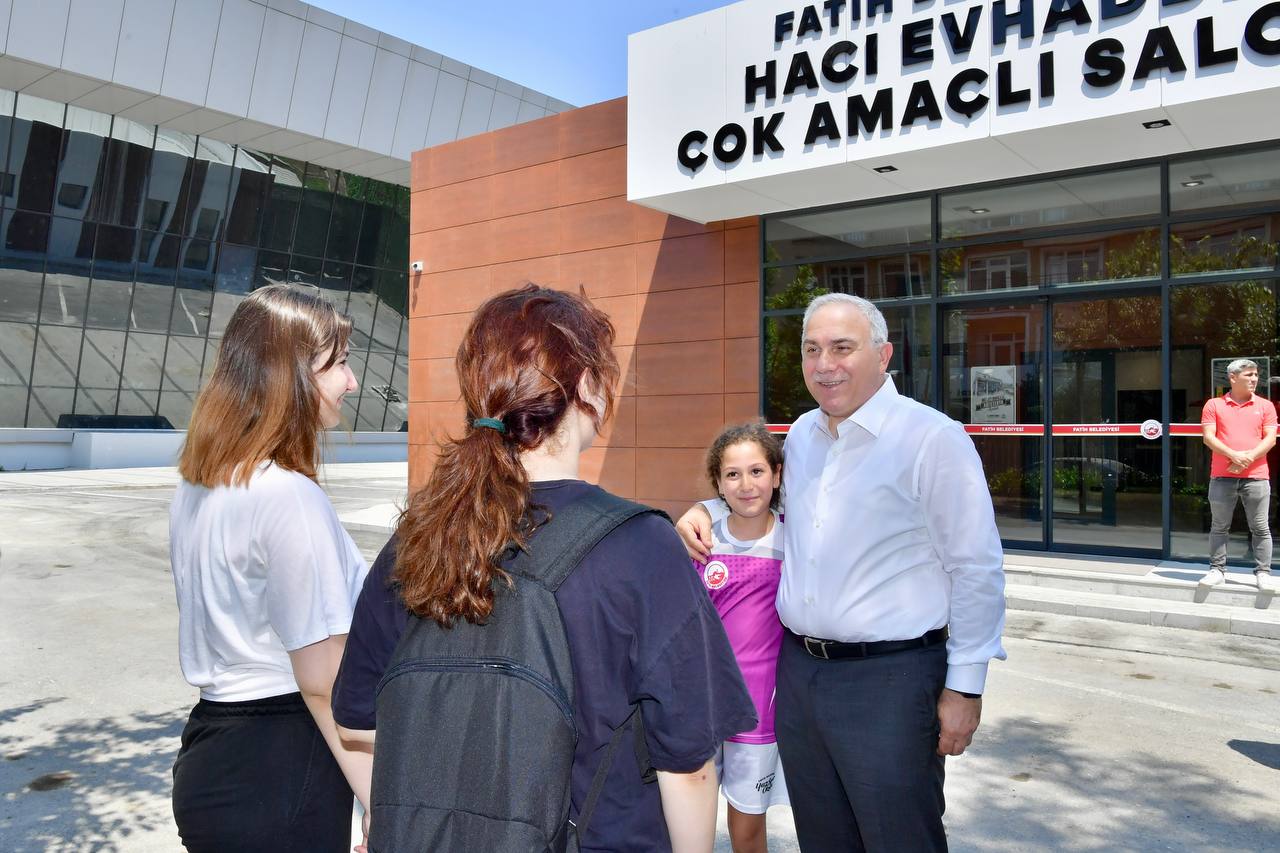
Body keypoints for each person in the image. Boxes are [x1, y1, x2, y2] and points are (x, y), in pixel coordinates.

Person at [331, 284, 755, 852]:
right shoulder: (641, 547)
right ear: (588, 387)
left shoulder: (418, 540)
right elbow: (688, 765)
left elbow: (356, 722)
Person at [677, 292, 1007, 853]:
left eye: (842, 348)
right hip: (800, 676)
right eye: (812, 349)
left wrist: (964, 687)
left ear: (883, 355)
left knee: (899, 837)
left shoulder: (932, 439)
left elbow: (976, 567)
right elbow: (759, 501)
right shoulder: (802, 437)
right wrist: (703, 511)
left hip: (891, 681)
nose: (824, 364)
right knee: (823, 837)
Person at [169, 284, 372, 852]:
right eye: (338, 363)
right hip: (282, 768)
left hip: (210, 756)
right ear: (291, 375)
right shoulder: (287, 496)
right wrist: (380, 800)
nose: (352, 381)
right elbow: (322, 681)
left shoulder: (197, 484)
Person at [694, 421, 790, 853]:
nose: (746, 484)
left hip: (758, 710)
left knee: (747, 828)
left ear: (777, 475)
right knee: (688, 822)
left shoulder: (794, 539)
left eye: (757, 471)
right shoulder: (700, 541)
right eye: (732, 474)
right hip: (701, 705)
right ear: (718, 483)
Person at [1199, 358, 1277, 593]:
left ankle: (1263, 573)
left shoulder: (1266, 406)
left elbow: (1270, 439)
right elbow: (1208, 437)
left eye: (1256, 375)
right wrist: (1234, 455)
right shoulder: (1214, 405)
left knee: (1260, 527)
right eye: (1249, 375)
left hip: (1257, 477)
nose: (1254, 379)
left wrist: (1247, 458)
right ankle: (1217, 570)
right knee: (1219, 526)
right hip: (1222, 476)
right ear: (1233, 377)